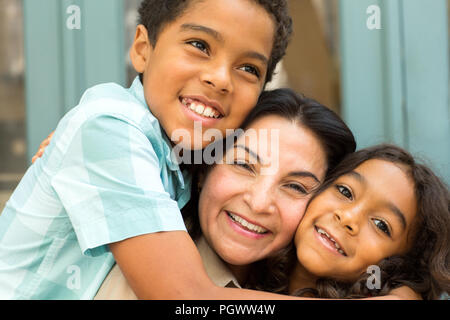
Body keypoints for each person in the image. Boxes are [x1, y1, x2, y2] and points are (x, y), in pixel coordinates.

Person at [0, 0, 295, 299]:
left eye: (248, 68)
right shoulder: (108, 126)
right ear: (143, 49)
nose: (220, 79)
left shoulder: (188, 157)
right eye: (199, 45)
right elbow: (185, 298)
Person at [246, 145, 450, 300]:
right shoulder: (243, 265)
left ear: (402, 265)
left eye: (381, 225)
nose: (348, 217)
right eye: (345, 191)